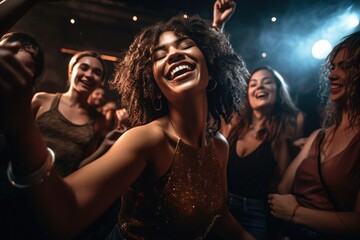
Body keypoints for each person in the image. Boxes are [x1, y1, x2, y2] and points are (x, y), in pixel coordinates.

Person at [0, 14, 256, 240]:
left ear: (211, 72)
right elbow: (63, 217)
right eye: (160, 55)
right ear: (155, 86)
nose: (174, 54)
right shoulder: (147, 140)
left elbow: (219, 214)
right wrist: (22, 125)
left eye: (185, 45)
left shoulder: (219, 146)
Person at [212, 1, 304, 239]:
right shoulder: (233, 122)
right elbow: (220, 76)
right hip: (219, 207)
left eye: (267, 82)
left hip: (257, 214)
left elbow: (285, 183)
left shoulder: (287, 126)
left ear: (278, 92)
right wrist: (218, 25)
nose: (259, 86)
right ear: (247, 93)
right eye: (253, 83)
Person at [269, 31, 360, 239]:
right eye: (333, 67)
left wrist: (295, 213)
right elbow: (283, 188)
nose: (332, 75)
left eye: (345, 67)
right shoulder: (318, 136)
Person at [31, 50, 107, 177]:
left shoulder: (98, 120)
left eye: (96, 72)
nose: (89, 75)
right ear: (71, 71)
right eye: (84, 68)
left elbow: (83, 166)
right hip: (23, 179)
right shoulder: (42, 100)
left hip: (59, 189)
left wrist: (105, 145)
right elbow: (18, 137)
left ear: (100, 82)